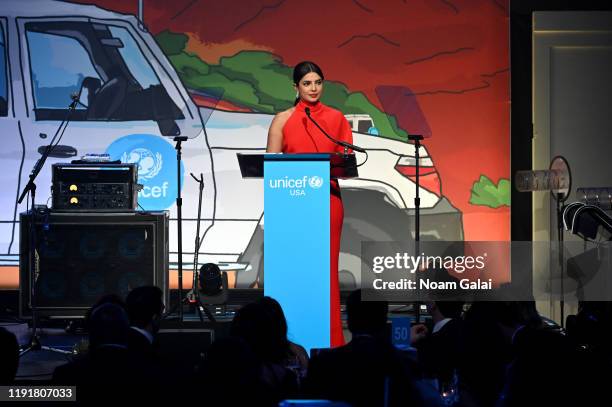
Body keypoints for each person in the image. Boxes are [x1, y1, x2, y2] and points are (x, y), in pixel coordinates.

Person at [266, 61, 353, 347]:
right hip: (291, 204)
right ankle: (290, 341)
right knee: (293, 271)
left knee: (325, 272)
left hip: (327, 201)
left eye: (317, 82)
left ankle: (330, 342)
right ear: (296, 87)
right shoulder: (282, 119)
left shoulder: (336, 118)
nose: (313, 88)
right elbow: (271, 166)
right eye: (307, 83)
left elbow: (346, 161)